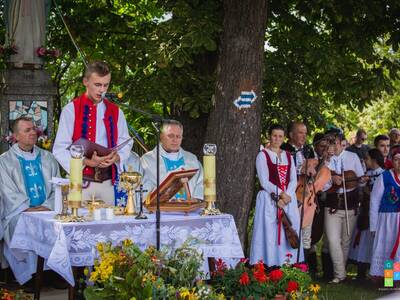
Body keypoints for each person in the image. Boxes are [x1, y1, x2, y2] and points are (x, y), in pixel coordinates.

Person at [53, 61, 132, 206]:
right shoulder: (71, 110)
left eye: (105, 85)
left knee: (110, 227)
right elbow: (59, 148)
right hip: (82, 183)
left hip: (109, 182)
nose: (102, 90)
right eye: (97, 84)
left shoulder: (116, 111)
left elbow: (125, 141)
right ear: (85, 82)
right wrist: (86, 161)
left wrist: (116, 157)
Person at [0, 116, 59, 279]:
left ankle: (54, 273)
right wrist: (27, 209)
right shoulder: (4, 161)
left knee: (60, 225)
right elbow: (7, 191)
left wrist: (46, 206)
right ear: (16, 136)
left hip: (47, 209)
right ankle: (30, 276)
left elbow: (58, 187)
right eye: (27, 130)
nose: (33, 132)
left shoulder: (48, 158)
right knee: (21, 225)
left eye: (34, 129)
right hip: (19, 212)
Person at [250, 124, 302, 266]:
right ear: (269, 136)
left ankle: (288, 262)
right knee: (270, 231)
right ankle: (269, 263)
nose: (277, 139)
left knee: (289, 229)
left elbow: (293, 179)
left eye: (280, 136)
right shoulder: (263, 155)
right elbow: (264, 180)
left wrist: (286, 197)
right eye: (274, 135)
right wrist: (280, 194)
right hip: (269, 198)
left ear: (284, 138)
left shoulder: (288, 156)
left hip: (287, 199)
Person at [325, 130, 367, 283]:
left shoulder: (352, 157)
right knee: (332, 240)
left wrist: (360, 180)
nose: (333, 146)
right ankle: (340, 274)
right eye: (330, 143)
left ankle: (339, 275)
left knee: (345, 241)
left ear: (341, 142)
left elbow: (361, 180)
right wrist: (331, 177)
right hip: (332, 206)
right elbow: (321, 186)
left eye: (335, 142)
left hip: (350, 205)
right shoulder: (326, 160)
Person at [140, 119, 203, 201]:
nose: (175, 140)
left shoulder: (191, 159)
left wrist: (197, 199)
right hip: (162, 210)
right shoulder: (147, 160)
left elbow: (202, 183)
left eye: (178, 136)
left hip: (190, 211)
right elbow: (145, 187)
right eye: (171, 136)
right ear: (161, 136)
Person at [348, 149, 384, 280]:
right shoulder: (366, 174)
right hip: (365, 214)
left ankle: (389, 279)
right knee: (363, 243)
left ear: (374, 160)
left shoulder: (384, 175)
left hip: (381, 217)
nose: (365, 161)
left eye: (367, 159)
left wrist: (368, 192)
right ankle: (362, 273)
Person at [370, 148, 400, 277]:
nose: (399, 162)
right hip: (387, 221)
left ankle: (397, 279)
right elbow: (374, 201)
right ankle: (388, 280)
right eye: (396, 159)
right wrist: (373, 225)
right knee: (388, 251)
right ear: (391, 161)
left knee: (398, 252)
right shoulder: (384, 177)